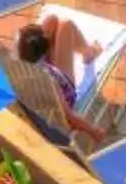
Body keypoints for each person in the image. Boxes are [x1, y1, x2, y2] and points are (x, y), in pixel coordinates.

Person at [13, 12, 114, 145]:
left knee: (52, 19)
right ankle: (89, 53)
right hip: (63, 87)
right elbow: (68, 116)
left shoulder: (16, 66)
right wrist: (94, 132)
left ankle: (87, 51)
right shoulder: (49, 82)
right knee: (67, 25)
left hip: (39, 64)